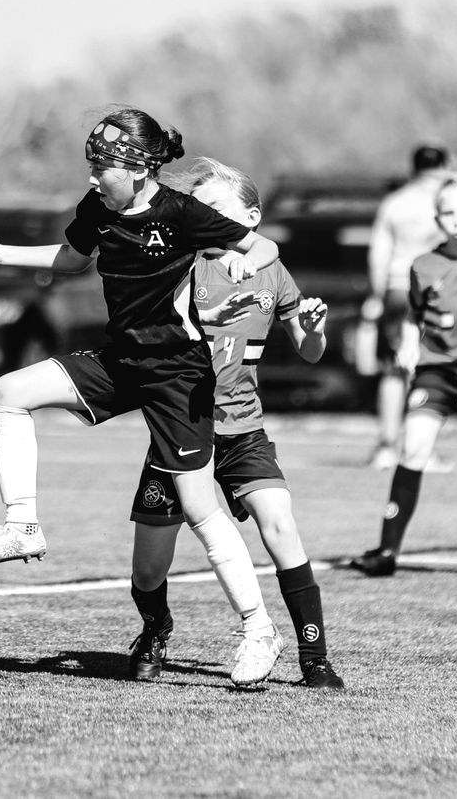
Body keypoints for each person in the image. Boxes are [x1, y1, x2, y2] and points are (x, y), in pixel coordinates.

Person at [0, 107, 281, 682]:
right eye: (90, 165)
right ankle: (22, 526)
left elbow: (265, 249)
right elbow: (73, 260)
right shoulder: (98, 209)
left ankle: (258, 630)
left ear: (136, 168)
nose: (91, 177)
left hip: (178, 373)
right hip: (121, 361)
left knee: (200, 508)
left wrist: (240, 262)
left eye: (101, 167)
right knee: (11, 390)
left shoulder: (181, 212)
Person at [127, 158, 345, 690]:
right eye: (198, 208)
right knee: (148, 572)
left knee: (280, 523)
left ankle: (314, 658)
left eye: (215, 208)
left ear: (250, 216)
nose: (204, 217)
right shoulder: (183, 266)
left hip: (243, 430)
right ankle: (156, 626)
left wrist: (315, 330)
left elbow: (310, 351)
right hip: (181, 429)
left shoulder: (273, 270)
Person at [352, 175, 457, 576]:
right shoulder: (423, 265)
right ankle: (386, 551)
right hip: (439, 373)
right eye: (449, 213)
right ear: (437, 218)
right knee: (413, 448)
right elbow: (415, 315)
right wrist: (411, 343)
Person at [362, 143, 452, 472]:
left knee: (393, 368)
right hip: (437, 291)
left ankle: (387, 447)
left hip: (397, 287)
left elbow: (379, 255)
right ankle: (421, 451)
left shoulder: (395, 202)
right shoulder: (448, 199)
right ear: (443, 163)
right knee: (430, 369)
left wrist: (375, 295)